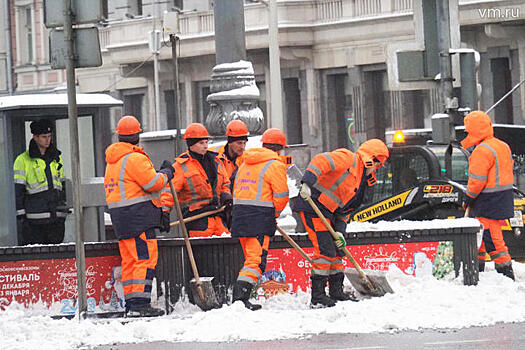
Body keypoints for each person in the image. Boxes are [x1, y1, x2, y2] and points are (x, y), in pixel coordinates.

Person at [293, 139, 389, 307]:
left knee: (338, 251)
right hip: (313, 205)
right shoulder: (348, 159)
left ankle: (336, 291)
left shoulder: (361, 183)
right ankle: (318, 296)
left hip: (330, 213)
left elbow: (345, 211)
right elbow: (320, 161)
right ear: (372, 159)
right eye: (378, 164)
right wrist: (306, 183)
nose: (377, 169)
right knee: (325, 252)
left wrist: (340, 231)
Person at [104, 115, 175, 317]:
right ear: (137, 135)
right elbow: (153, 183)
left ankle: (132, 302)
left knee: (130, 261)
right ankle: (140, 304)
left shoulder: (113, 160)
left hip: (122, 218)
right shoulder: (134, 158)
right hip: (139, 218)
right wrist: (167, 173)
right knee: (144, 258)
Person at [230, 128, 289, 310]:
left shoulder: (245, 162)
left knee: (250, 258)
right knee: (255, 261)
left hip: (240, 216)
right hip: (259, 219)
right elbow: (281, 196)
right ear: (279, 149)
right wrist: (275, 214)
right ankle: (240, 300)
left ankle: (242, 299)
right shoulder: (275, 164)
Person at [461, 110, 515, 280]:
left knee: (492, 237)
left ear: (474, 130)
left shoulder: (481, 151)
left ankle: (505, 273)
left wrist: (467, 198)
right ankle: (476, 269)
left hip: (487, 201)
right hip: (502, 198)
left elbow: (476, 181)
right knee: (480, 236)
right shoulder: (502, 145)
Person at [162, 123, 232, 237]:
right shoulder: (181, 166)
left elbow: (225, 183)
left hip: (219, 218)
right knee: (202, 253)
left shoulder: (216, 161)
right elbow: (169, 192)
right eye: (201, 143)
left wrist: (226, 196)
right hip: (196, 222)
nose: (205, 146)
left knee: (227, 250)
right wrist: (164, 213)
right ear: (191, 144)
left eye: (206, 142)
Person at [13, 119, 69, 245]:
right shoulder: (23, 160)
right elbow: (18, 191)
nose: (47, 140)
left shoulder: (56, 158)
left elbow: (63, 184)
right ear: (35, 137)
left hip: (56, 219)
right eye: (44, 137)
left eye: (49, 136)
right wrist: (22, 216)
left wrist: (63, 209)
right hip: (34, 221)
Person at [210, 119, 249, 227]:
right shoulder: (214, 155)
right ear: (230, 142)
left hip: (237, 209)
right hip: (218, 208)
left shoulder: (246, 160)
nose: (242, 147)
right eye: (239, 143)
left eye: (244, 143)